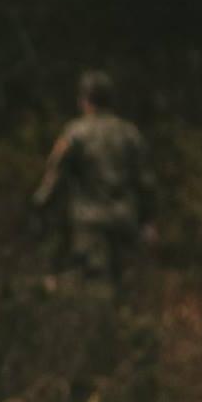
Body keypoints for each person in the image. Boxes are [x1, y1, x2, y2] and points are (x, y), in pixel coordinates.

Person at [32, 70, 155, 286]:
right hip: (125, 220)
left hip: (89, 223)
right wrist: (147, 220)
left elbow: (55, 175)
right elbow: (145, 181)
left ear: (84, 100)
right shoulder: (129, 133)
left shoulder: (75, 133)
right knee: (125, 285)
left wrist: (39, 204)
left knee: (93, 283)